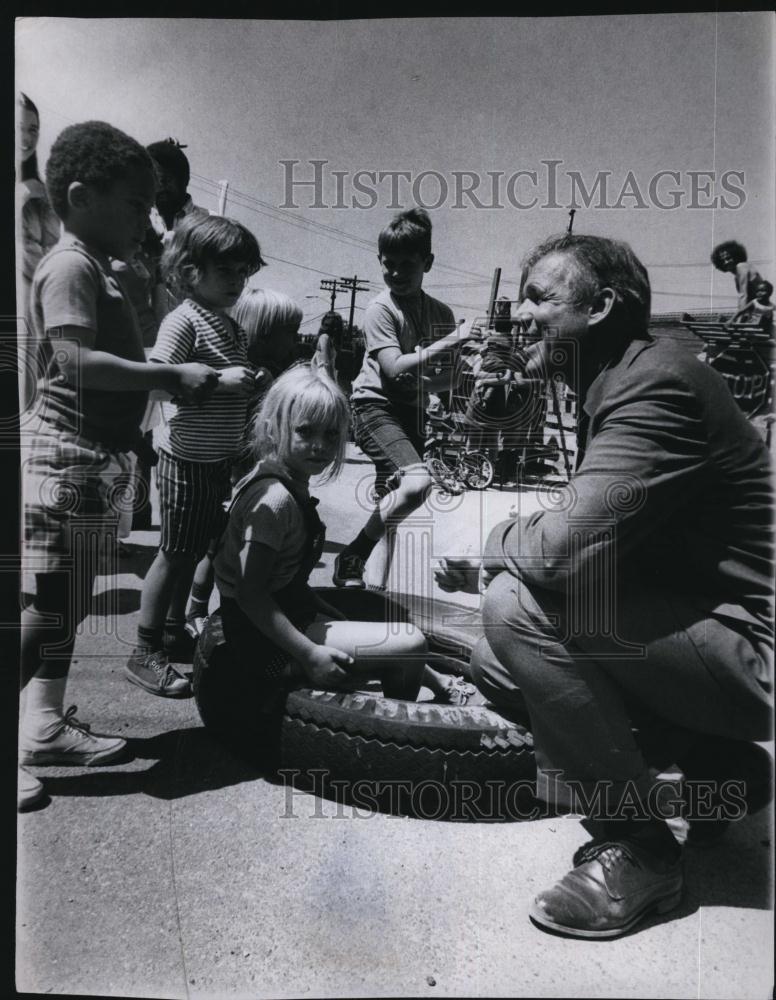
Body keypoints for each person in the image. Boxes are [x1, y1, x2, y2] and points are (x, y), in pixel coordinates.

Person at [436, 233, 773, 938]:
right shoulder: (621, 378)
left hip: (752, 652)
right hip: (705, 634)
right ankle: (721, 774)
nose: (517, 314)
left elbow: (562, 555)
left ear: (603, 306)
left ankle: (640, 847)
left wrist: (493, 547)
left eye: (538, 297)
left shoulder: (657, 382)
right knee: (497, 661)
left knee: (518, 605)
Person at [18, 121, 220, 810]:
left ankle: (42, 725)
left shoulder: (100, 270)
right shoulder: (71, 267)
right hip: (66, 456)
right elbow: (69, 362)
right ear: (81, 197)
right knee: (50, 608)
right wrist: (162, 378)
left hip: (94, 458)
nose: (144, 219)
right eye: (134, 204)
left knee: (67, 605)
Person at [209, 364, 428, 725]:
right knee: (410, 644)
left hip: (281, 614)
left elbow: (284, 577)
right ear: (273, 429)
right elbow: (250, 593)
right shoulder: (274, 501)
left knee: (366, 619)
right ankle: (396, 734)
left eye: (331, 434)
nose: (320, 446)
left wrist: (321, 606)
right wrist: (309, 654)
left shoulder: (284, 478)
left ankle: (430, 684)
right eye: (305, 432)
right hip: (259, 643)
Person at [127, 215, 265, 698]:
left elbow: (230, 384)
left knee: (193, 550)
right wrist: (219, 379)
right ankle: (144, 651)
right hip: (185, 459)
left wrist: (250, 383)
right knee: (173, 552)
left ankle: (169, 631)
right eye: (226, 271)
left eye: (244, 272)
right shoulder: (183, 319)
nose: (237, 282)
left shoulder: (232, 326)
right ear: (190, 272)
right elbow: (160, 381)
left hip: (216, 461)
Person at [332, 207, 481, 592]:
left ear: (427, 263)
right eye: (389, 264)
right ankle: (352, 554)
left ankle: (375, 593)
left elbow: (441, 380)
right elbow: (395, 369)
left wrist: (475, 375)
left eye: (407, 264)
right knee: (416, 484)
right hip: (374, 408)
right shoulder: (381, 308)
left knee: (393, 508)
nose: (396, 273)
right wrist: (454, 341)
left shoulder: (440, 313)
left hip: (411, 413)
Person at [184, 288, 303, 638]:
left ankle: (212, 612)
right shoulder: (246, 374)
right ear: (265, 333)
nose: (297, 341)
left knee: (225, 548)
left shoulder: (270, 371)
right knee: (216, 546)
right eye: (291, 333)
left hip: (249, 477)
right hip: (234, 477)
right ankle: (196, 610)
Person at [16, 93, 61, 413]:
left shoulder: (38, 193)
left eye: (34, 129)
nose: (28, 137)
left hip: (27, 306)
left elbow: (48, 252)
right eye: (20, 127)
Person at [711, 240, 764, 313]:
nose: (726, 262)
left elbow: (743, 296)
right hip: (756, 309)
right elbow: (744, 300)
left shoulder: (741, 266)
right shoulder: (736, 277)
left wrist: (738, 319)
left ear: (736, 256)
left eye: (728, 258)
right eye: (722, 261)